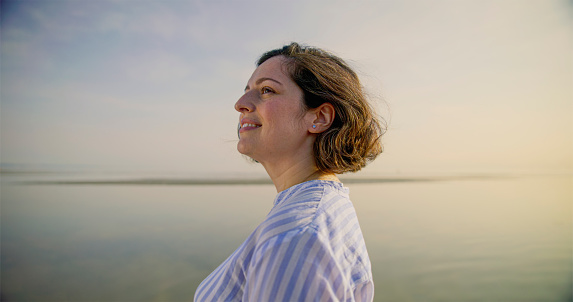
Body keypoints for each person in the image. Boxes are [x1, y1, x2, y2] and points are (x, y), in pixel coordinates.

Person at [194, 42, 384, 302]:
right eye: (247, 90)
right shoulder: (316, 211)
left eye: (267, 90)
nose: (240, 104)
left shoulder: (297, 237)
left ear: (318, 118)